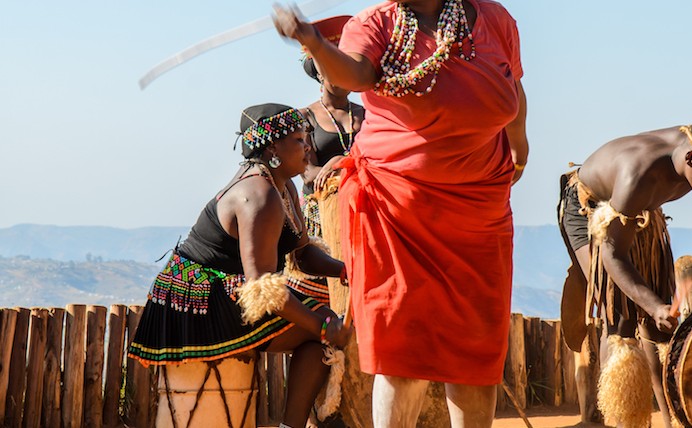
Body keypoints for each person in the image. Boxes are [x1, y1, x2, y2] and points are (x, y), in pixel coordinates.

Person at [272, 0, 529, 426]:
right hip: (397, 212)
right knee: (403, 353)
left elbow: (513, 88)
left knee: (476, 354)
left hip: (480, 211)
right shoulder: (376, 24)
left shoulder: (495, 20)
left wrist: (519, 149)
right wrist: (314, 41)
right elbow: (354, 73)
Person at [127, 103, 351, 428]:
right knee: (321, 330)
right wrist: (321, 326)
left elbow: (303, 255)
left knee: (325, 323)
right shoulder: (258, 196)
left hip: (234, 288)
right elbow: (261, 288)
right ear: (273, 147)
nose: (308, 147)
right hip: (197, 297)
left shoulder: (283, 185)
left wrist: (346, 269)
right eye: (300, 139)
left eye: (307, 138)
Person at [558, 121, 692, 427]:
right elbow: (613, 255)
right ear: (690, 160)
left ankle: (673, 419)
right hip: (592, 212)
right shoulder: (640, 174)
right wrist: (655, 306)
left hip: (643, 211)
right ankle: (624, 421)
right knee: (620, 319)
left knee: (663, 329)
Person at [289, 15, 366, 309]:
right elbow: (306, 171)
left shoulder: (368, 115)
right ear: (321, 73)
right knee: (327, 305)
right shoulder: (304, 117)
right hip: (322, 221)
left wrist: (341, 161)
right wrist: (336, 164)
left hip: (363, 212)